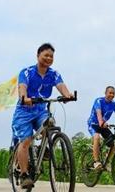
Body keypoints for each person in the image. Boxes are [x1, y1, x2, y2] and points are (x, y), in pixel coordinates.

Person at [11, 43, 74, 189]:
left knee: (49, 124)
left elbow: (61, 86)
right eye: (46, 55)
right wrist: (24, 97)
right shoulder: (26, 72)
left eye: (51, 56)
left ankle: (43, 148)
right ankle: (24, 174)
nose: (49, 58)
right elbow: (22, 87)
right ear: (38, 55)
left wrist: (67, 95)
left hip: (41, 109)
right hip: (24, 112)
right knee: (25, 141)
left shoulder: (54, 74)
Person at [87, 86, 115, 170]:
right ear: (105, 93)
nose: (111, 95)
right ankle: (96, 162)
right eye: (110, 93)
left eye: (113, 93)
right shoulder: (99, 101)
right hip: (93, 124)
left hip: (103, 125)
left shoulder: (113, 104)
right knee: (96, 137)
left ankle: (107, 162)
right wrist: (101, 122)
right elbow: (98, 113)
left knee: (113, 143)